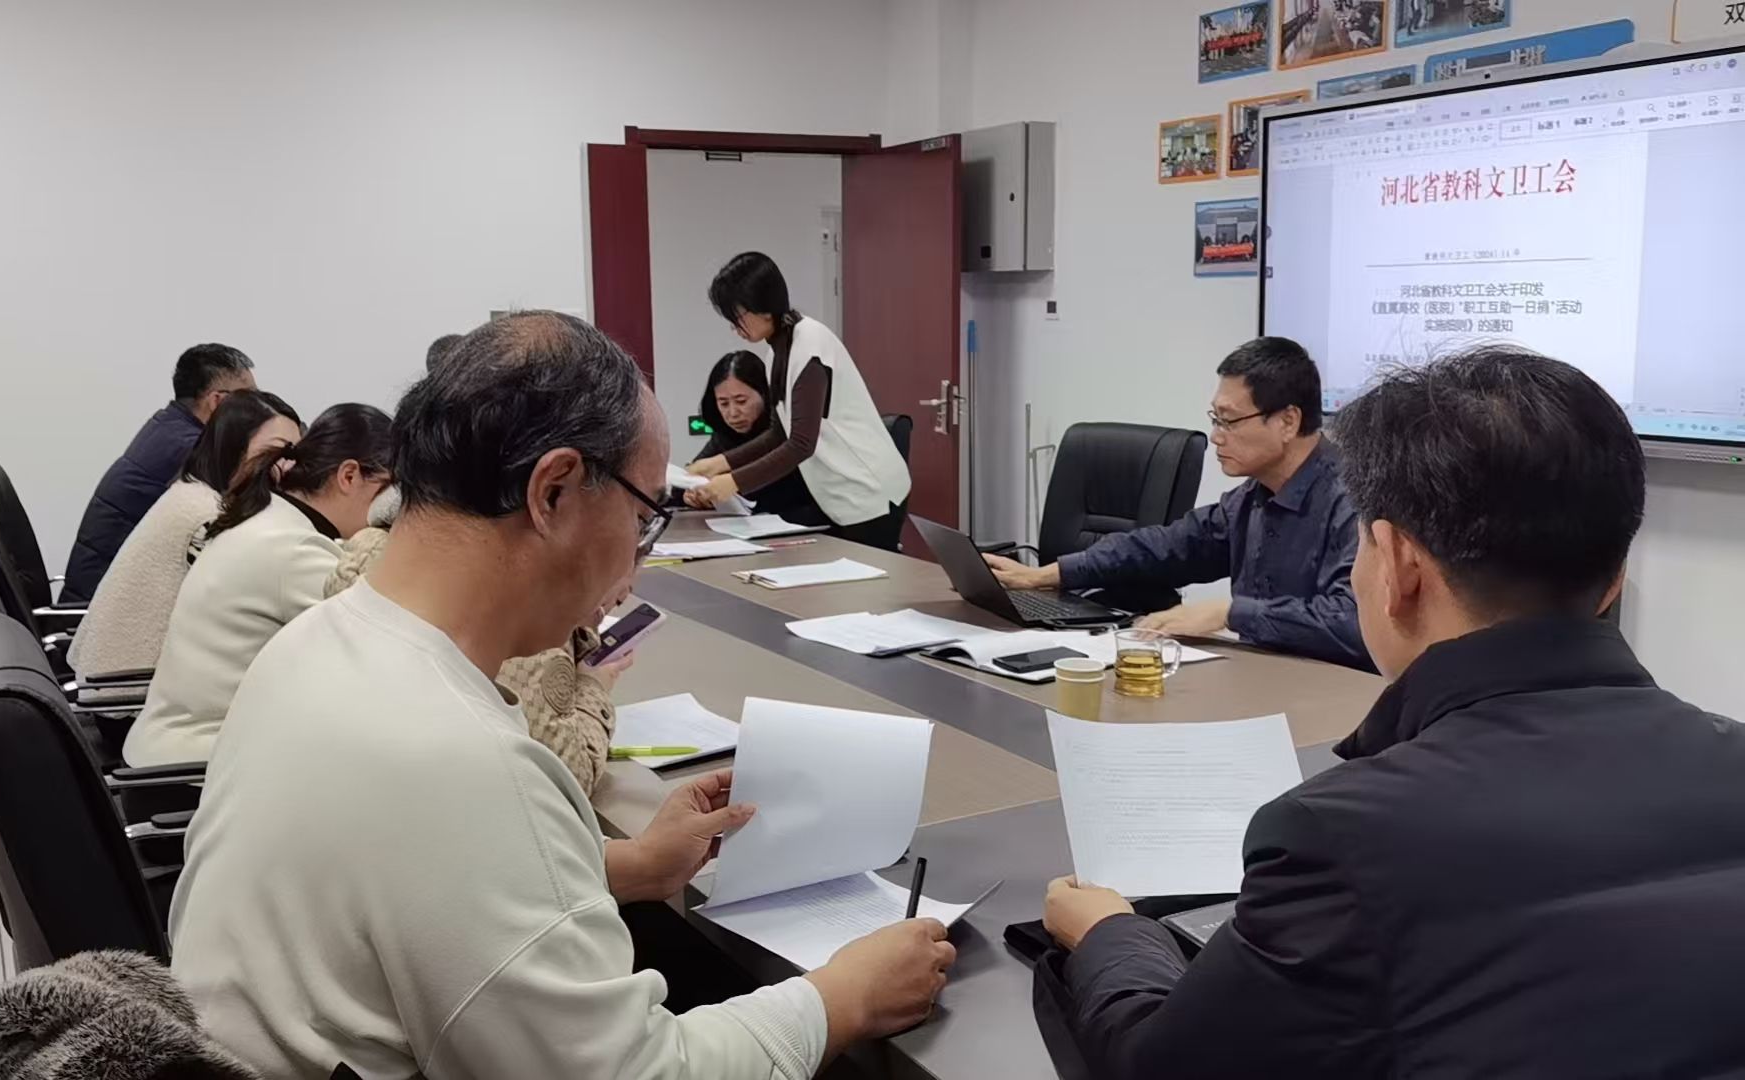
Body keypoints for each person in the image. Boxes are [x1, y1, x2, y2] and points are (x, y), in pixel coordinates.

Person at [169, 312, 956, 1079]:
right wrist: (844, 998)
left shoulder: (311, 646)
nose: (637, 563)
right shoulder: (457, 761)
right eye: (644, 516)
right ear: (554, 491)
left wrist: (629, 866)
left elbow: (431, 897)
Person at [1036, 347, 1745, 1078]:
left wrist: (1111, 933)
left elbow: (1162, 1066)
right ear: (1614, 578)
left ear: (1398, 566)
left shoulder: (1343, 833)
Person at [984, 337, 1370, 669]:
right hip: (1261, 677)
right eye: (1215, 418)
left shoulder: (1356, 501)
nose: (1216, 436)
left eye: (1229, 421)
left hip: (1333, 693)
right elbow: (1166, 547)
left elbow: (1353, 621)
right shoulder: (1252, 497)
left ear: (1287, 421)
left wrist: (1228, 613)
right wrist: (1050, 575)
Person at [122, 403, 392, 767]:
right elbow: (383, 646)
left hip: (169, 748)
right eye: (390, 492)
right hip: (197, 765)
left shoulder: (266, 517)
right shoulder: (293, 549)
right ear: (349, 476)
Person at [322, 499, 637, 797]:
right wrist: (592, 687)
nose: (625, 592)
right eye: (641, 520)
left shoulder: (374, 549)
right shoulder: (525, 612)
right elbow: (563, 778)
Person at [66, 390, 301, 680]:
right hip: (127, 688)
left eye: (295, 455)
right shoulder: (207, 517)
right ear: (234, 446)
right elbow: (254, 604)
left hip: (112, 674)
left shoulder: (191, 492)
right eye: (277, 452)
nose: (288, 467)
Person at [686, 252, 911, 550]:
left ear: (764, 307)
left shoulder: (810, 346)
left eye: (737, 317)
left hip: (869, 491)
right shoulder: (777, 351)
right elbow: (779, 433)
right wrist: (718, 464)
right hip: (841, 494)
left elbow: (801, 444)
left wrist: (733, 482)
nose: (734, 327)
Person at [60, 343, 257, 603]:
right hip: (108, 610)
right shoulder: (188, 448)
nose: (258, 411)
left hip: (106, 597)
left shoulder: (169, 426)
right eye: (251, 400)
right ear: (217, 402)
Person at [693, 350, 822, 524]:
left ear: (764, 394)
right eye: (723, 403)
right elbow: (696, 473)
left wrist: (730, 484)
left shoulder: (786, 432)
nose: (733, 413)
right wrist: (694, 495)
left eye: (741, 401)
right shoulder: (724, 435)